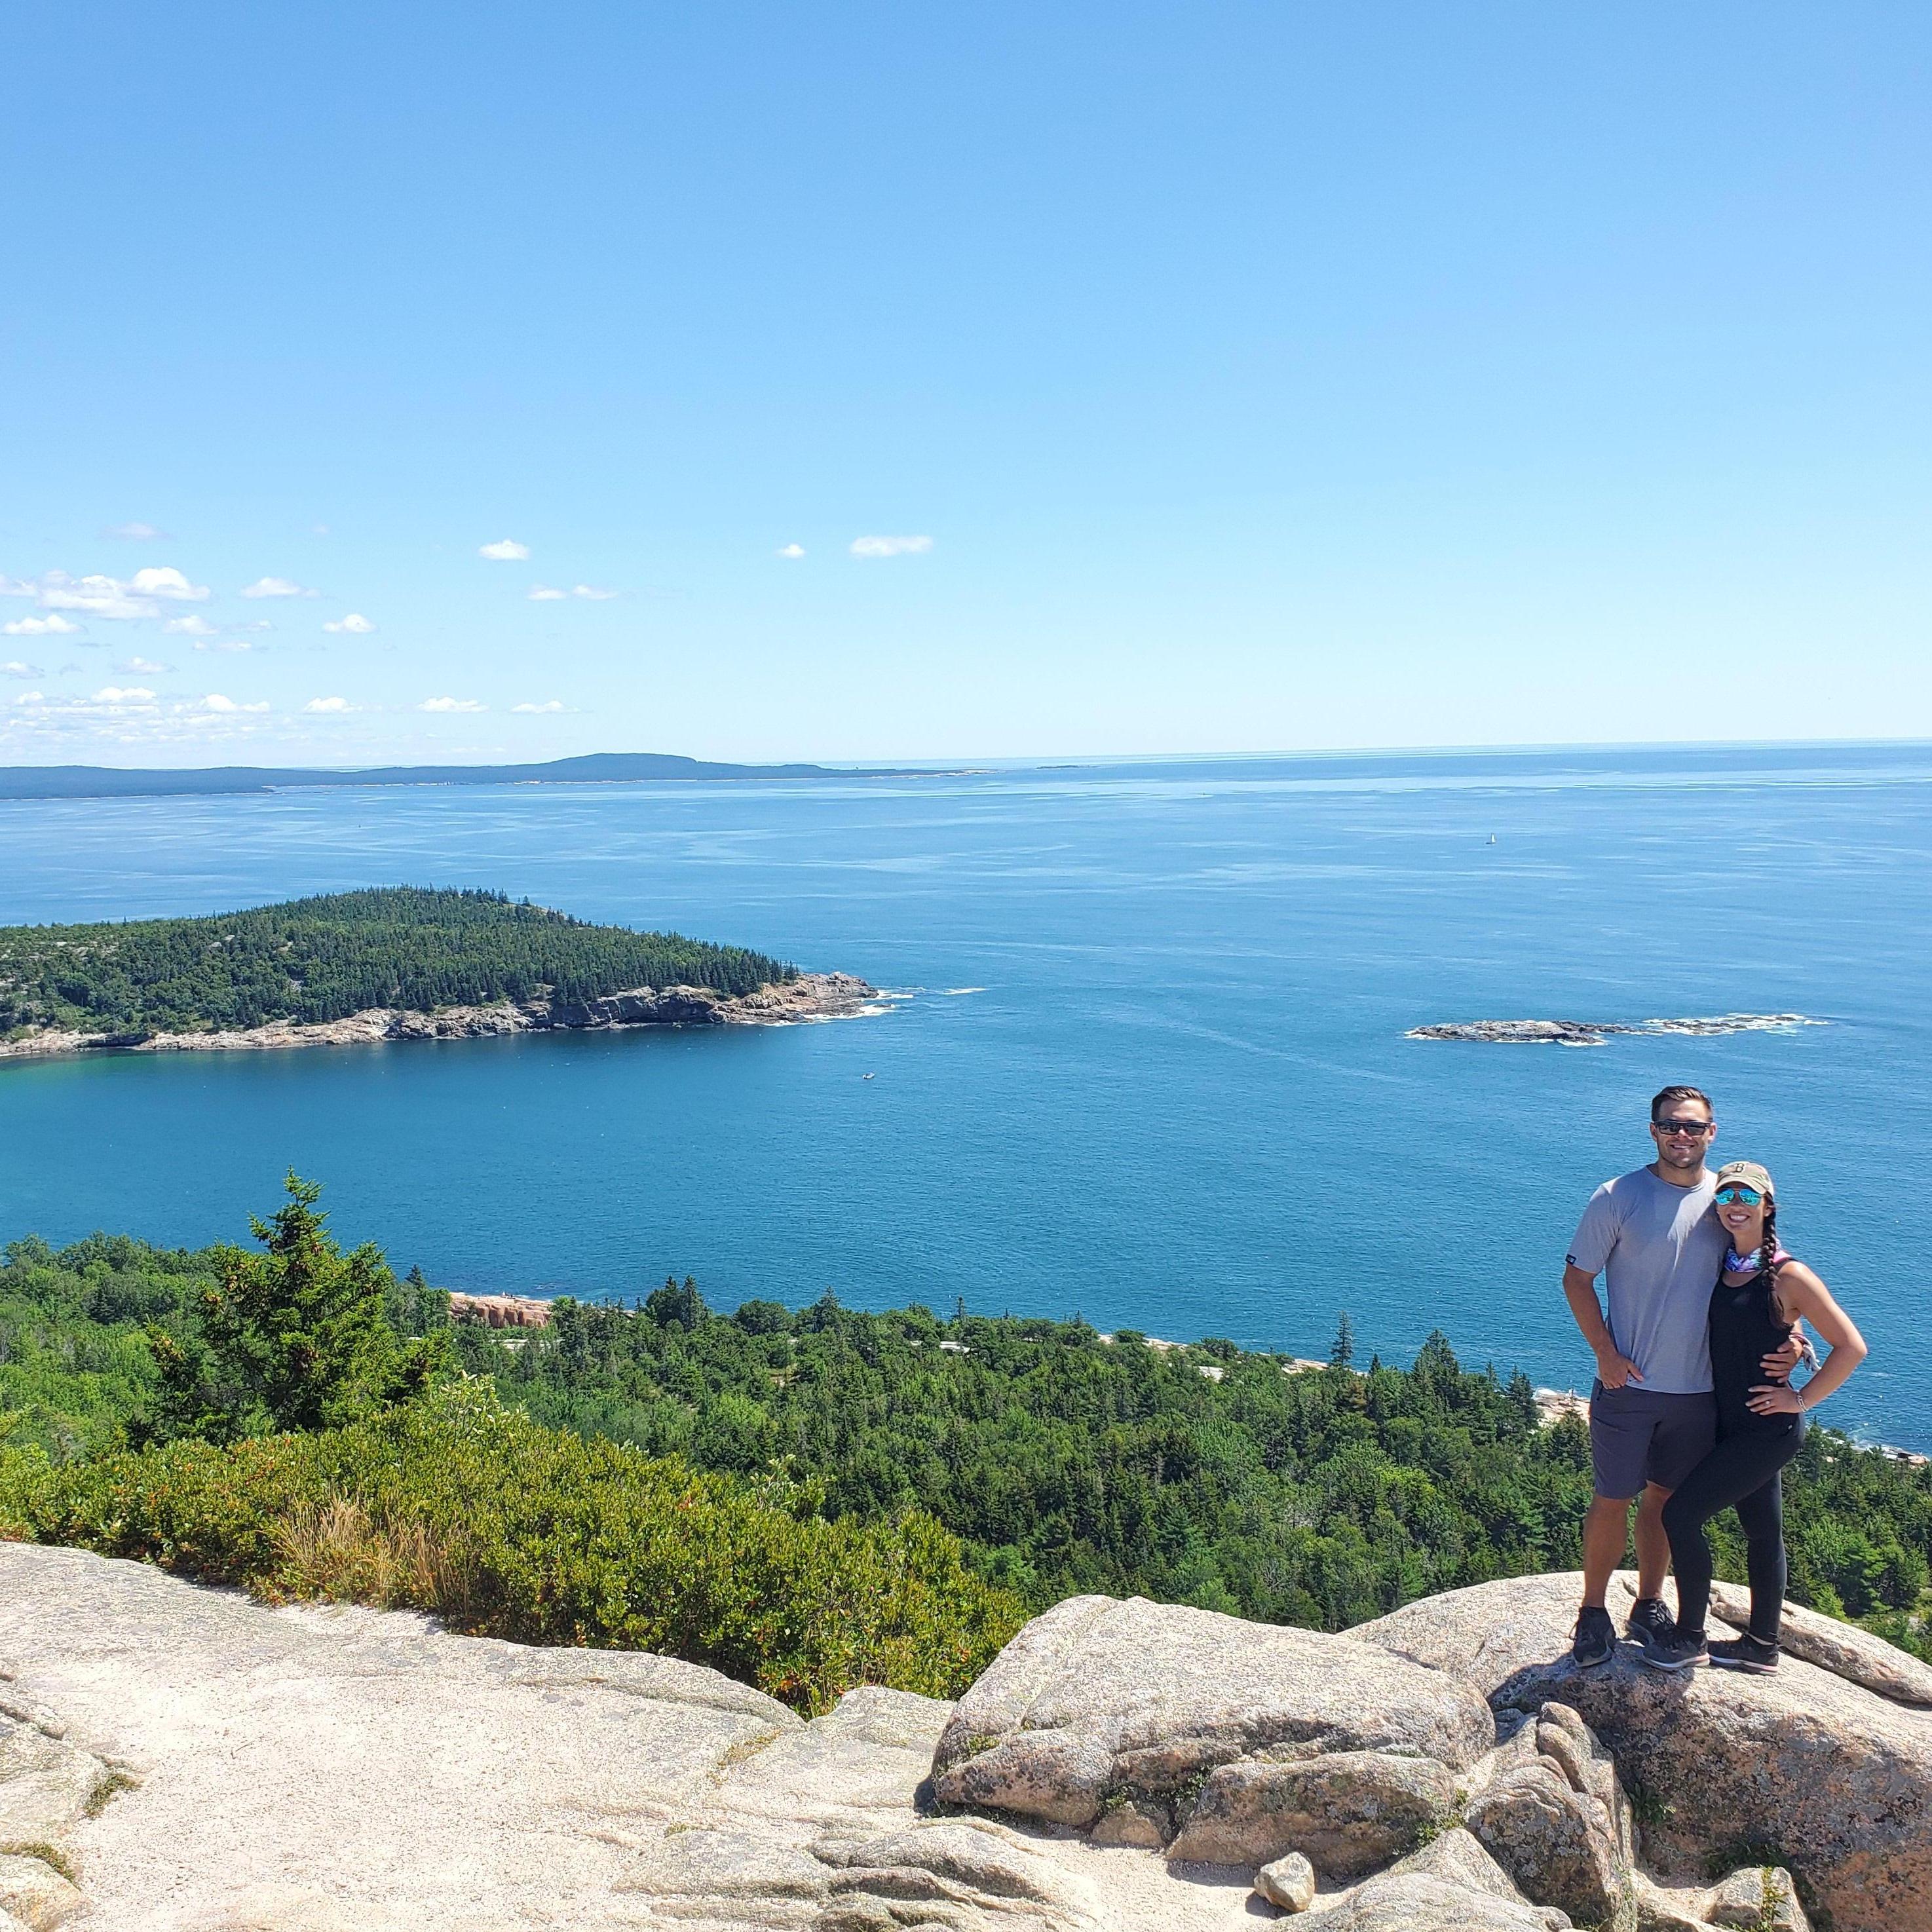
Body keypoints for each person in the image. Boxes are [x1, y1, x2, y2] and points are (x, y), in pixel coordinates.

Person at [1561, 1086, 1803, 1667]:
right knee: (1611, 1499)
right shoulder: (1617, 1197)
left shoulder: (1728, 1198)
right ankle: (1592, 1613)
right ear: (1652, 1130)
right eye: (1670, 1125)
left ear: (1711, 1132)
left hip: (1699, 1393)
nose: (1681, 1136)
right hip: (1629, 1384)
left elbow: (1774, 1275)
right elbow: (1576, 1280)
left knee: (1665, 1502)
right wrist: (1604, 1353)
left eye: (1693, 1127)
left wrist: (1796, 1340)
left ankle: (1648, 1604)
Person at [1641, 1161, 1867, 1673]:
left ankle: (1688, 1637)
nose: (1734, 1203)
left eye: (1746, 1194)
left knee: (1679, 1514)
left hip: (1767, 1429)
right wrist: (1794, 1336)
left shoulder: (1789, 1273)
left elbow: (1851, 1346)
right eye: (1725, 1195)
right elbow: (1763, 1325)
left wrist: (1801, 1398)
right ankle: (1762, 1645)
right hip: (1730, 1423)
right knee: (1763, 1531)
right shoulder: (1725, 1262)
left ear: (1768, 1205)